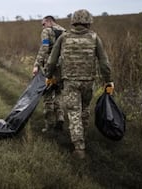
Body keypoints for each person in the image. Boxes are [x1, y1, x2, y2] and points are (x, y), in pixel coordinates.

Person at [45, 9, 114, 159]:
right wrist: (108, 81)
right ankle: (83, 137)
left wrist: (48, 76)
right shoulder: (95, 38)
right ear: (89, 21)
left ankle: (79, 147)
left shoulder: (63, 38)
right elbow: (104, 63)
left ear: (73, 21)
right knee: (84, 110)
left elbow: (51, 61)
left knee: (74, 111)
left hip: (70, 81)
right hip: (88, 82)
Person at [32, 15, 66, 133]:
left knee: (47, 95)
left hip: (50, 68)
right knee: (58, 93)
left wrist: (36, 64)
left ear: (49, 22)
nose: (42, 26)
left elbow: (44, 48)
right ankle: (60, 117)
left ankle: (49, 125)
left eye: (43, 24)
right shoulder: (64, 31)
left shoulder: (46, 31)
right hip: (62, 69)